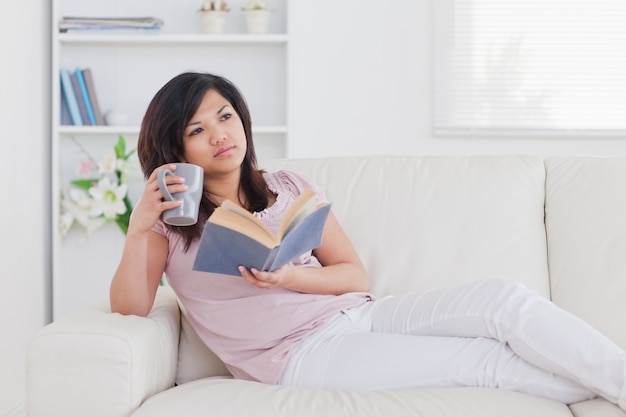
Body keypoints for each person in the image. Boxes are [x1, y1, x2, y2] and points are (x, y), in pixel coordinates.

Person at [110, 71, 626, 409]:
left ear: (243, 121)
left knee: (503, 299)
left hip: (360, 312)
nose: (221, 135)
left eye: (225, 116)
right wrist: (137, 228)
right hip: (299, 355)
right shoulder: (169, 222)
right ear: (176, 148)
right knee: (481, 361)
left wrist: (289, 276)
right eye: (198, 130)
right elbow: (132, 308)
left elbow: (354, 275)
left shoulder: (289, 187)